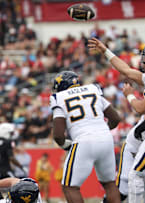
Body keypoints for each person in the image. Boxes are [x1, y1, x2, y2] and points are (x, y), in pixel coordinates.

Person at [88, 38, 145, 203]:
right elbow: (126, 70)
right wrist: (105, 50)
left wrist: (129, 95)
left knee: (135, 174)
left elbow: (141, 108)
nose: (144, 60)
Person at [50, 71, 122, 203]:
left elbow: (58, 135)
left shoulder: (59, 97)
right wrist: (102, 130)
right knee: (110, 184)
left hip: (84, 140)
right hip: (106, 139)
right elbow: (116, 118)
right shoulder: (93, 90)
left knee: (70, 187)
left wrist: (67, 145)